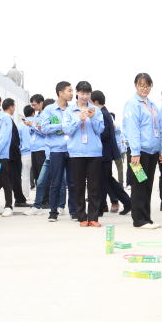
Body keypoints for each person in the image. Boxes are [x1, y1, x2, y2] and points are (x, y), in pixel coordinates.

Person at [122, 73, 162, 229]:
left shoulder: (152, 104)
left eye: (148, 85)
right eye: (142, 85)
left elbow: (158, 127)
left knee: (147, 186)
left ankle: (147, 218)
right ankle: (139, 220)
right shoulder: (132, 104)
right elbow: (132, 129)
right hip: (139, 153)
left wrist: (161, 149)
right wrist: (135, 152)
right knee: (139, 185)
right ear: (135, 86)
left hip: (152, 151)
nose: (145, 89)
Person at [63, 81, 104, 227]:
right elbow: (67, 130)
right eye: (82, 93)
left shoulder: (96, 110)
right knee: (78, 186)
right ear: (77, 93)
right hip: (76, 153)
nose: (85, 96)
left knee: (94, 186)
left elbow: (100, 130)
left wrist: (92, 118)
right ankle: (82, 217)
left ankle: (93, 217)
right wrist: (78, 120)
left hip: (94, 152)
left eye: (87, 93)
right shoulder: (69, 111)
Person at [92, 91, 130, 217]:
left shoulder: (102, 114)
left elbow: (104, 134)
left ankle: (100, 208)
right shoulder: (106, 113)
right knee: (108, 180)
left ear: (96, 102)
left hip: (104, 153)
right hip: (107, 152)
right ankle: (127, 202)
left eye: (91, 102)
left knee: (103, 181)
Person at [42, 82, 76, 223]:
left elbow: (75, 126)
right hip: (56, 150)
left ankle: (74, 211)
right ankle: (53, 211)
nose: (72, 93)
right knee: (55, 182)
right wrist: (61, 126)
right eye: (69, 91)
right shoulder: (49, 109)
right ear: (60, 93)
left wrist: (67, 127)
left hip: (71, 150)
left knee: (73, 183)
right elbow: (44, 128)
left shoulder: (73, 109)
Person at [17, 106, 34, 204]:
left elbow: (18, 140)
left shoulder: (20, 125)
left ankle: (26, 196)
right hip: (37, 152)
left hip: (25, 153)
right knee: (38, 176)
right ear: (33, 113)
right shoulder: (35, 122)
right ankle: (40, 197)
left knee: (25, 176)